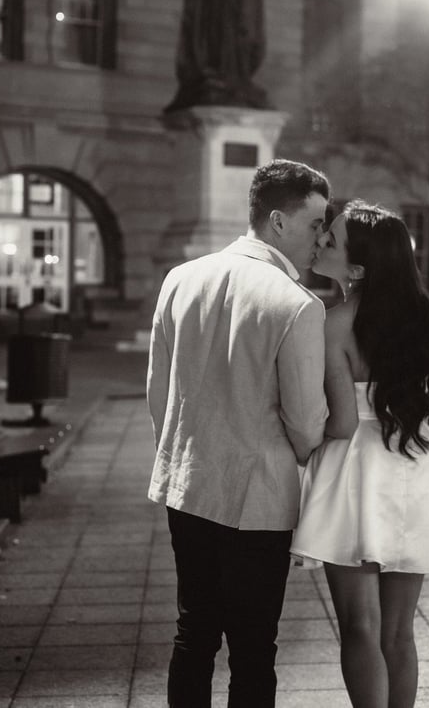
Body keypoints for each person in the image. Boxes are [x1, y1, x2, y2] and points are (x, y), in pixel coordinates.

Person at [147, 159, 331, 708]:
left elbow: (159, 392)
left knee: (193, 631)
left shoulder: (180, 279)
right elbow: (304, 421)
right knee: (254, 647)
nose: (322, 236)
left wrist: (179, 450)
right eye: (316, 222)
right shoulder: (297, 304)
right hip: (260, 497)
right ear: (278, 221)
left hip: (188, 483)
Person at [291, 200, 429, 708]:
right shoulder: (422, 321)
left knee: (360, 627)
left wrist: (301, 436)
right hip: (415, 462)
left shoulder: (334, 322)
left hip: (357, 470)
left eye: (331, 239)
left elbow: (345, 422)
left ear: (357, 268)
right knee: (399, 632)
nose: (320, 242)